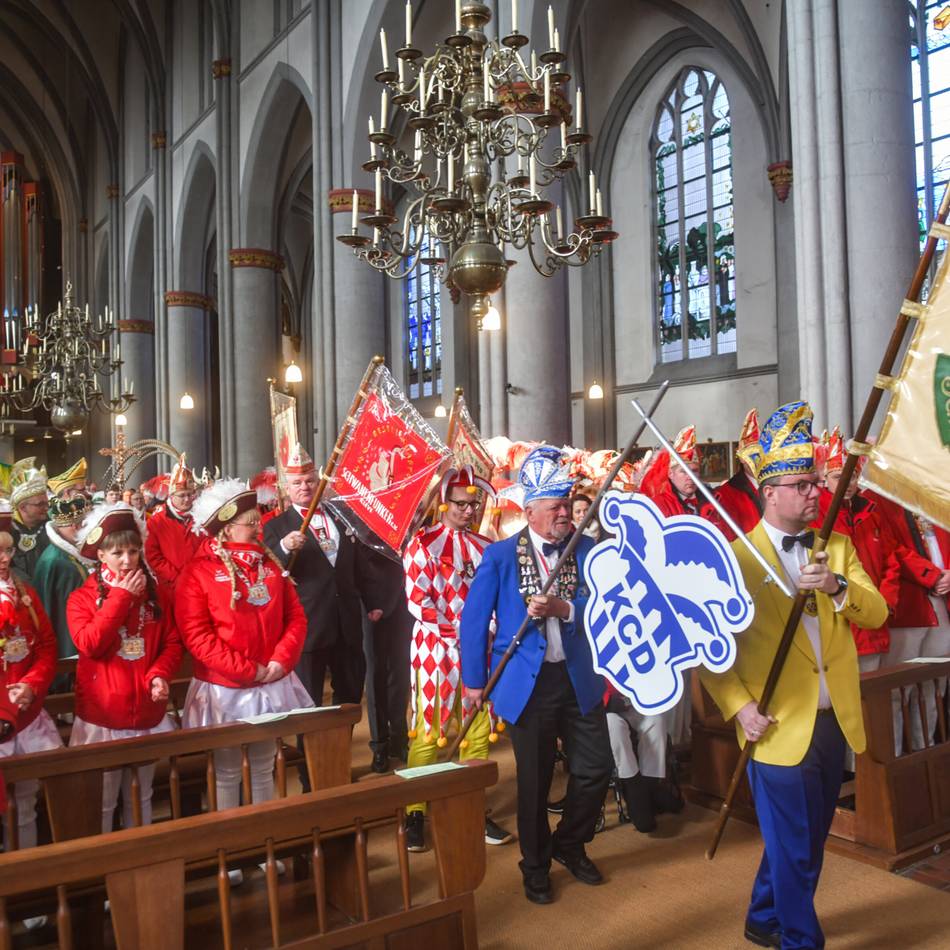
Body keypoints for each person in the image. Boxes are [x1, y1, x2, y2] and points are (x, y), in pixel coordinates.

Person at [699, 401, 887, 950]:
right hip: (774, 725)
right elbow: (711, 652)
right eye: (803, 485)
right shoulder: (733, 560)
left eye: (814, 483)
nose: (814, 494)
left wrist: (836, 588)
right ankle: (800, 940)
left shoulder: (838, 548)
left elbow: (876, 613)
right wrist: (739, 707)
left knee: (801, 842)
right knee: (797, 845)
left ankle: (762, 915)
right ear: (771, 491)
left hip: (834, 721)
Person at [460, 446, 612, 905]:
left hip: (578, 676)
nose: (566, 514)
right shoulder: (503, 556)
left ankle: (569, 843)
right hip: (526, 683)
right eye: (556, 508)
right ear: (530, 512)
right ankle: (536, 864)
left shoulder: (587, 549)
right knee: (534, 780)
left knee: (596, 768)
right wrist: (473, 681)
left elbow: (608, 607)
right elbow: (473, 619)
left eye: (567, 506)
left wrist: (567, 608)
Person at [176, 479, 311, 843]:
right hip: (225, 688)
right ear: (226, 526)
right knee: (226, 771)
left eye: (257, 519)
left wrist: (281, 662)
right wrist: (248, 669)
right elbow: (198, 637)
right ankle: (230, 847)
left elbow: (295, 618)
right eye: (249, 521)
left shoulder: (269, 565)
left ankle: (264, 841)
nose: (258, 526)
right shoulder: (198, 571)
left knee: (266, 766)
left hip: (270, 681)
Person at [403, 467, 513, 850]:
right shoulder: (422, 544)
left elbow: (499, 597)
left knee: (477, 728)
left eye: (474, 504)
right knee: (430, 729)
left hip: (479, 652)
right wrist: (460, 633)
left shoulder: (487, 547)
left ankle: (471, 805)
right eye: (461, 504)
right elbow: (419, 601)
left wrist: (491, 627)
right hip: (435, 648)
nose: (469, 511)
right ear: (444, 503)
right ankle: (415, 809)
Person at [68, 503, 182, 832]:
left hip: (144, 710)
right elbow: (90, 644)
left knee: (141, 795)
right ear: (101, 555)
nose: (128, 560)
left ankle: (142, 869)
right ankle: (104, 869)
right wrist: (120, 597)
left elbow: (172, 642)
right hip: (103, 715)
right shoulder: (82, 598)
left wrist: (160, 672)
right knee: (104, 801)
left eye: (133, 551)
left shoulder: (156, 593)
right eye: (117, 553)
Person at [262, 443, 369, 706]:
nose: (305, 487)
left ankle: (340, 745)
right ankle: (308, 749)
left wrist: (373, 602)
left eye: (310, 481)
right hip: (309, 624)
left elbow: (360, 564)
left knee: (351, 694)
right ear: (287, 488)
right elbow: (270, 572)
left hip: (347, 621)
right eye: (297, 482)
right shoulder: (276, 527)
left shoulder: (341, 515)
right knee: (307, 698)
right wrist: (285, 547)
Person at [0, 522, 62, 850]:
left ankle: (27, 880)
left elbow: (47, 647)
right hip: (1, 714)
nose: (4, 558)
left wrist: (31, 685)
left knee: (25, 803)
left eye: (8, 550)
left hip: (26, 709)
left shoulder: (26, 594)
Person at [818, 431, 900, 673]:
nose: (847, 483)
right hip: (840, 623)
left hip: (875, 621)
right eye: (838, 477)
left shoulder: (870, 511)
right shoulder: (817, 515)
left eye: (852, 477)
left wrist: (885, 602)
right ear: (825, 479)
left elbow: (891, 560)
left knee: (877, 694)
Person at [361, 544, 413, 773]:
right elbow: (359, 566)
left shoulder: (412, 522)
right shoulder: (364, 519)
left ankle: (399, 739)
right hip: (373, 607)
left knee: (401, 676)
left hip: (407, 605)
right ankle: (379, 745)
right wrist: (371, 602)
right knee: (376, 677)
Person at [32, 496, 94, 662]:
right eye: (79, 524)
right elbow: (53, 611)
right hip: (67, 639)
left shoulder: (70, 555)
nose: (81, 528)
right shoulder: (56, 561)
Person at [144, 455, 202, 592]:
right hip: (171, 586)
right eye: (182, 495)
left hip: (199, 583)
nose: (187, 499)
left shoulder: (202, 517)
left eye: (190, 494)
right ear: (171, 496)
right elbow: (152, 555)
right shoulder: (156, 521)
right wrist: (176, 577)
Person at [707, 409, 764, 540]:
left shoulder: (775, 486)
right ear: (742, 459)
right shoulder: (726, 494)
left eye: (762, 455)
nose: (758, 461)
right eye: (753, 456)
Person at [9, 457, 50, 578]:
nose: (46, 508)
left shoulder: (52, 528)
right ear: (22, 507)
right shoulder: (6, 531)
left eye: (46, 503)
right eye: (40, 504)